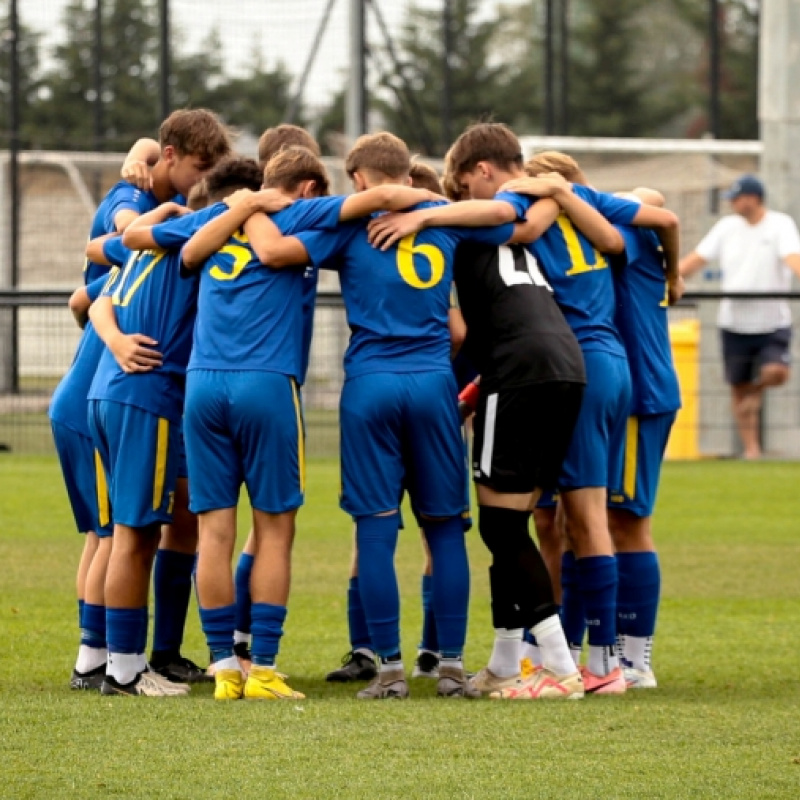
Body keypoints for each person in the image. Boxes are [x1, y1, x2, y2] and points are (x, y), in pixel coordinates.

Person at [368, 127, 679, 695]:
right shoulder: (550, 210)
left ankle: (582, 665)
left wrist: (422, 216)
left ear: (480, 174)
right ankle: (520, 658)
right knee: (545, 520)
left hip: (540, 366)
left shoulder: (480, 217)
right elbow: (649, 212)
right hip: (575, 364)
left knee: (530, 523)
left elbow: (462, 304)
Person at [234, 132, 524, 699]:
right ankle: (451, 667)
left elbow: (277, 245)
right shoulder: (445, 217)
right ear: (409, 173)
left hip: (370, 386)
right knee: (444, 529)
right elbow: (509, 217)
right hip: (434, 384)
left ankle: (389, 670)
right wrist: (427, 211)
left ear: (360, 180)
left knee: (375, 530)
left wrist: (241, 209)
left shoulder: (347, 227)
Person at [174, 144, 439, 701]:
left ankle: (223, 666)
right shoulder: (306, 212)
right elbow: (383, 196)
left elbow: (164, 248)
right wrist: (429, 207)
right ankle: (264, 668)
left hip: (202, 384)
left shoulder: (220, 218)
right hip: (265, 384)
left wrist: (240, 206)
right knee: (275, 528)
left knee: (214, 533)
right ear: (312, 189)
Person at [50, 110, 230, 692]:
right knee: (128, 536)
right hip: (130, 396)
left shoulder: (151, 244)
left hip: (103, 394)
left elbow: (90, 296)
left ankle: (95, 658)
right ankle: (124, 668)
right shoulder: (161, 225)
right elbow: (112, 235)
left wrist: (115, 336)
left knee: (114, 535)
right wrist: (123, 346)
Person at [679, 175, 800, 459]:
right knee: (737, 386)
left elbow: (792, 257)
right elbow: (697, 259)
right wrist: (666, 277)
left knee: (776, 372)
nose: (733, 203)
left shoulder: (780, 224)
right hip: (733, 321)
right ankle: (751, 450)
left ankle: (755, 394)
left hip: (772, 320)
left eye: (737, 197)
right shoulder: (727, 227)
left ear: (754, 198)